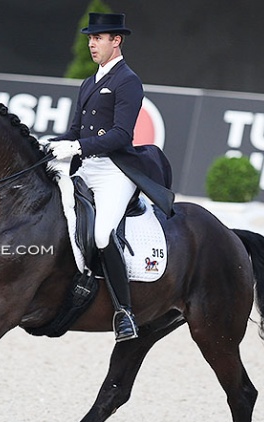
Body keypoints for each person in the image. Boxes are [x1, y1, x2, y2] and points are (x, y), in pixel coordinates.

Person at [48, 12, 174, 343]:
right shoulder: (89, 83)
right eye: (90, 38)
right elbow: (75, 129)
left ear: (115, 41)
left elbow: (120, 135)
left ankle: (124, 312)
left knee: (103, 234)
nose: (92, 44)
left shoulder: (127, 81)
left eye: (98, 38)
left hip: (115, 170)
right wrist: (55, 146)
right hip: (87, 165)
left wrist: (77, 146)